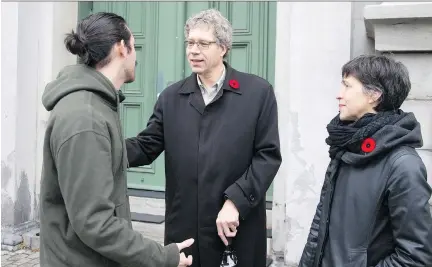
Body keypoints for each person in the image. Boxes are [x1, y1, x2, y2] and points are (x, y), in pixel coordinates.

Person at [125, 9, 282, 267]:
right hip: (185, 230)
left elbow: (268, 156)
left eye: (203, 43)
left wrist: (236, 201)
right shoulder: (171, 97)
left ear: (223, 47)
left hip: (235, 227)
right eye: (190, 42)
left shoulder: (258, 93)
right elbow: (146, 146)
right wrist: (103, 147)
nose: (193, 50)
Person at [40, 12, 194, 267]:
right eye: (135, 46)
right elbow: (95, 223)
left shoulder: (96, 105)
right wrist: (163, 257)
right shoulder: (85, 118)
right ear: (122, 48)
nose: (137, 56)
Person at [299, 54, 432, 267]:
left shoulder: (404, 165)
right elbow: (320, 227)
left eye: (347, 86)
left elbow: (415, 257)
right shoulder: (346, 147)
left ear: (374, 95)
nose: (339, 95)